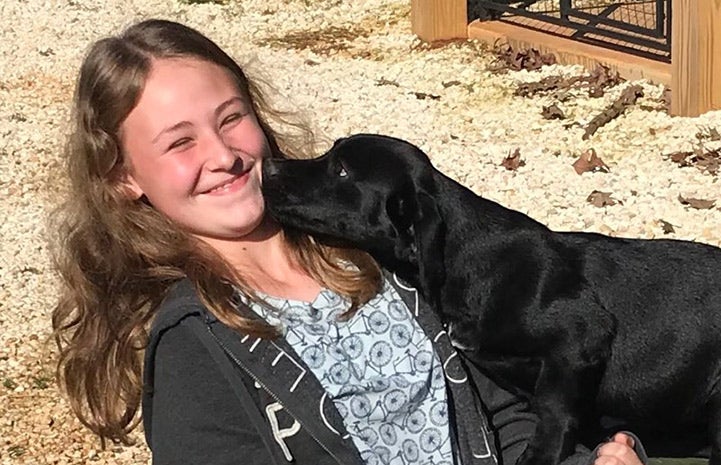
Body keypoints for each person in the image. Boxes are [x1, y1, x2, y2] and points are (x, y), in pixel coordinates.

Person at [50, 19, 648, 465]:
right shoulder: (196, 341)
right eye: (180, 143)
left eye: (231, 118)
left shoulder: (371, 250)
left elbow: (504, 407)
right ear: (123, 178)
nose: (225, 156)